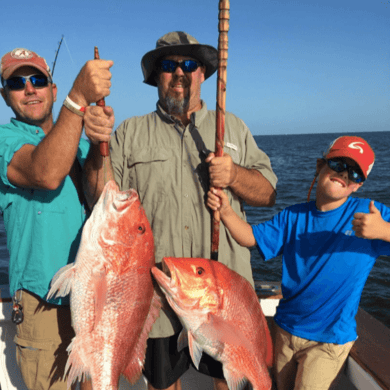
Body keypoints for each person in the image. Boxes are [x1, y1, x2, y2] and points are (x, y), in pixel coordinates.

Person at [82, 31, 277, 390]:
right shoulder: (129, 132)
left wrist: (233, 174)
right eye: (168, 66)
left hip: (222, 298)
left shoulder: (231, 127)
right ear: (156, 76)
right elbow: (98, 198)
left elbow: (267, 193)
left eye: (189, 64)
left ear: (203, 73)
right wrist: (98, 147)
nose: (179, 73)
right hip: (158, 294)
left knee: (231, 378)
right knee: (163, 385)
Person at [207, 135, 390, 390]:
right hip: (286, 329)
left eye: (355, 174)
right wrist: (226, 212)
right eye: (338, 164)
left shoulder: (372, 214)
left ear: (358, 186)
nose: (345, 175)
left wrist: (384, 231)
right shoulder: (292, 216)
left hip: (329, 339)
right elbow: (251, 238)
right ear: (320, 165)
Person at [0, 47, 113, 390]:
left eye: (38, 79)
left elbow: (104, 197)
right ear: (5, 97)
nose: (29, 88)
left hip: (94, 294)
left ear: (52, 87)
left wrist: (96, 143)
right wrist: (78, 98)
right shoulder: (6, 139)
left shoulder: (74, 144)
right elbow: (46, 172)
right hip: (42, 304)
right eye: (17, 83)